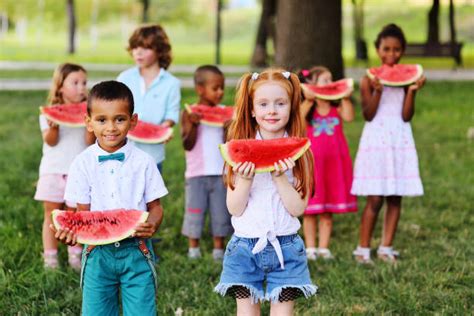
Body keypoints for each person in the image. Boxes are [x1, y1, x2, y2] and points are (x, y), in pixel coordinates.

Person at [52, 81, 168, 315]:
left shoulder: (144, 162)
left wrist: (152, 224)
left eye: (120, 119)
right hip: (96, 253)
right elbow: (82, 215)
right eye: (102, 120)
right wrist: (73, 233)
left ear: (133, 120)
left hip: (137, 249)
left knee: (142, 311)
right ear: (88, 122)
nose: (111, 127)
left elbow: (156, 207)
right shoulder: (82, 163)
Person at [214, 68, 317, 315]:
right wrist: (246, 180)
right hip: (244, 249)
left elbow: (298, 208)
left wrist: (281, 178)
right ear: (251, 109)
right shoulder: (239, 152)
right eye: (263, 104)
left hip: (288, 248)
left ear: (292, 107)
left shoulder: (301, 153)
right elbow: (235, 208)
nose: (271, 110)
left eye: (280, 103)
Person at [351, 24, 426, 264]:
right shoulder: (367, 80)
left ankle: (386, 247)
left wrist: (412, 90)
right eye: (386, 49)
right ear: (377, 49)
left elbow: (406, 115)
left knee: (396, 197)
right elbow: (368, 114)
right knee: (375, 199)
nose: (391, 55)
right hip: (376, 141)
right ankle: (363, 249)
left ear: (402, 51)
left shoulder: (407, 79)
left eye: (396, 50)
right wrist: (377, 92)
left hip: (400, 139)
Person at [34, 63, 94, 270]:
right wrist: (54, 126)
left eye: (84, 83)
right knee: (51, 215)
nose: (81, 87)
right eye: (75, 83)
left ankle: (74, 255)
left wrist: (90, 122)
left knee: (74, 215)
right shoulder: (48, 113)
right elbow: (50, 141)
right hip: (52, 170)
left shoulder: (89, 111)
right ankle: (50, 257)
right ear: (60, 87)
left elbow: (89, 141)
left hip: (78, 173)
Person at [298, 66, 358, 260]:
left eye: (332, 80)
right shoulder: (308, 111)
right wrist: (308, 98)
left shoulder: (337, 108)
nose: (330, 84)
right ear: (312, 85)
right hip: (312, 166)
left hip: (333, 166)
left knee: (327, 210)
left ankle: (324, 248)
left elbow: (349, 116)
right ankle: (310, 248)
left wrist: (346, 97)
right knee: (310, 210)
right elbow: (297, 121)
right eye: (325, 81)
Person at [180, 65, 233, 260]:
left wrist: (228, 128)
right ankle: (193, 248)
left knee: (220, 212)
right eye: (215, 88)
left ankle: (218, 248)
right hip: (196, 174)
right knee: (195, 211)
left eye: (222, 88)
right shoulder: (188, 113)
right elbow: (187, 143)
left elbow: (230, 145)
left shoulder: (226, 113)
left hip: (221, 173)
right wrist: (193, 125)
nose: (220, 92)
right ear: (200, 89)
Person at [117, 24, 181, 171]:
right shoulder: (124, 78)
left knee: (151, 194)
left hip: (153, 155)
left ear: (159, 50)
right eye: (135, 48)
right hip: (122, 150)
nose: (138, 52)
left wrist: (166, 127)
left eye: (145, 48)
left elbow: (172, 113)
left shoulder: (171, 83)